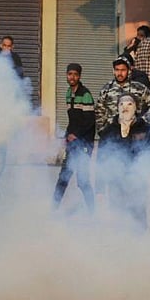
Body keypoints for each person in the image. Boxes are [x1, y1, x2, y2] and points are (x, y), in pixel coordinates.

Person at [97, 94, 150, 230]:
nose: (125, 107)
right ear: (117, 108)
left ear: (136, 107)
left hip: (138, 181)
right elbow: (101, 159)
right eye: (121, 104)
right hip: (116, 181)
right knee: (118, 217)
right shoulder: (109, 131)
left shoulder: (145, 129)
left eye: (129, 104)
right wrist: (99, 188)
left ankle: (139, 244)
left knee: (138, 217)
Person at [53, 63, 95, 212]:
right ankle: (53, 210)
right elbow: (72, 120)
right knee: (63, 178)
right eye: (70, 74)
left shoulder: (85, 94)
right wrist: (66, 136)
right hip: (72, 143)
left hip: (84, 144)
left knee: (83, 181)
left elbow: (90, 121)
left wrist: (75, 135)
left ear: (79, 76)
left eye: (75, 74)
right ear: (66, 75)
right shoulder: (68, 93)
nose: (72, 77)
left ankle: (93, 212)